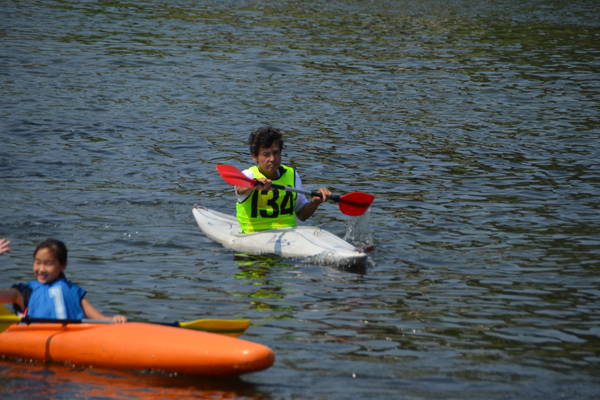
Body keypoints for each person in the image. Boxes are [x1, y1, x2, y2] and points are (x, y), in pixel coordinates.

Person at [0, 238, 127, 323]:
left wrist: (115, 319)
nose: (41, 269)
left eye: (48, 264)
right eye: (37, 263)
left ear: (63, 266)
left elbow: (101, 319)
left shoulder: (71, 291)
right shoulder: (23, 293)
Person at [235, 126, 331, 233]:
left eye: (276, 153)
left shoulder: (292, 175)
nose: (272, 159)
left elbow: (302, 215)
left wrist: (315, 202)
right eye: (266, 154)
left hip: (289, 236)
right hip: (254, 235)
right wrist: (254, 185)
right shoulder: (248, 175)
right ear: (254, 157)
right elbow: (240, 189)